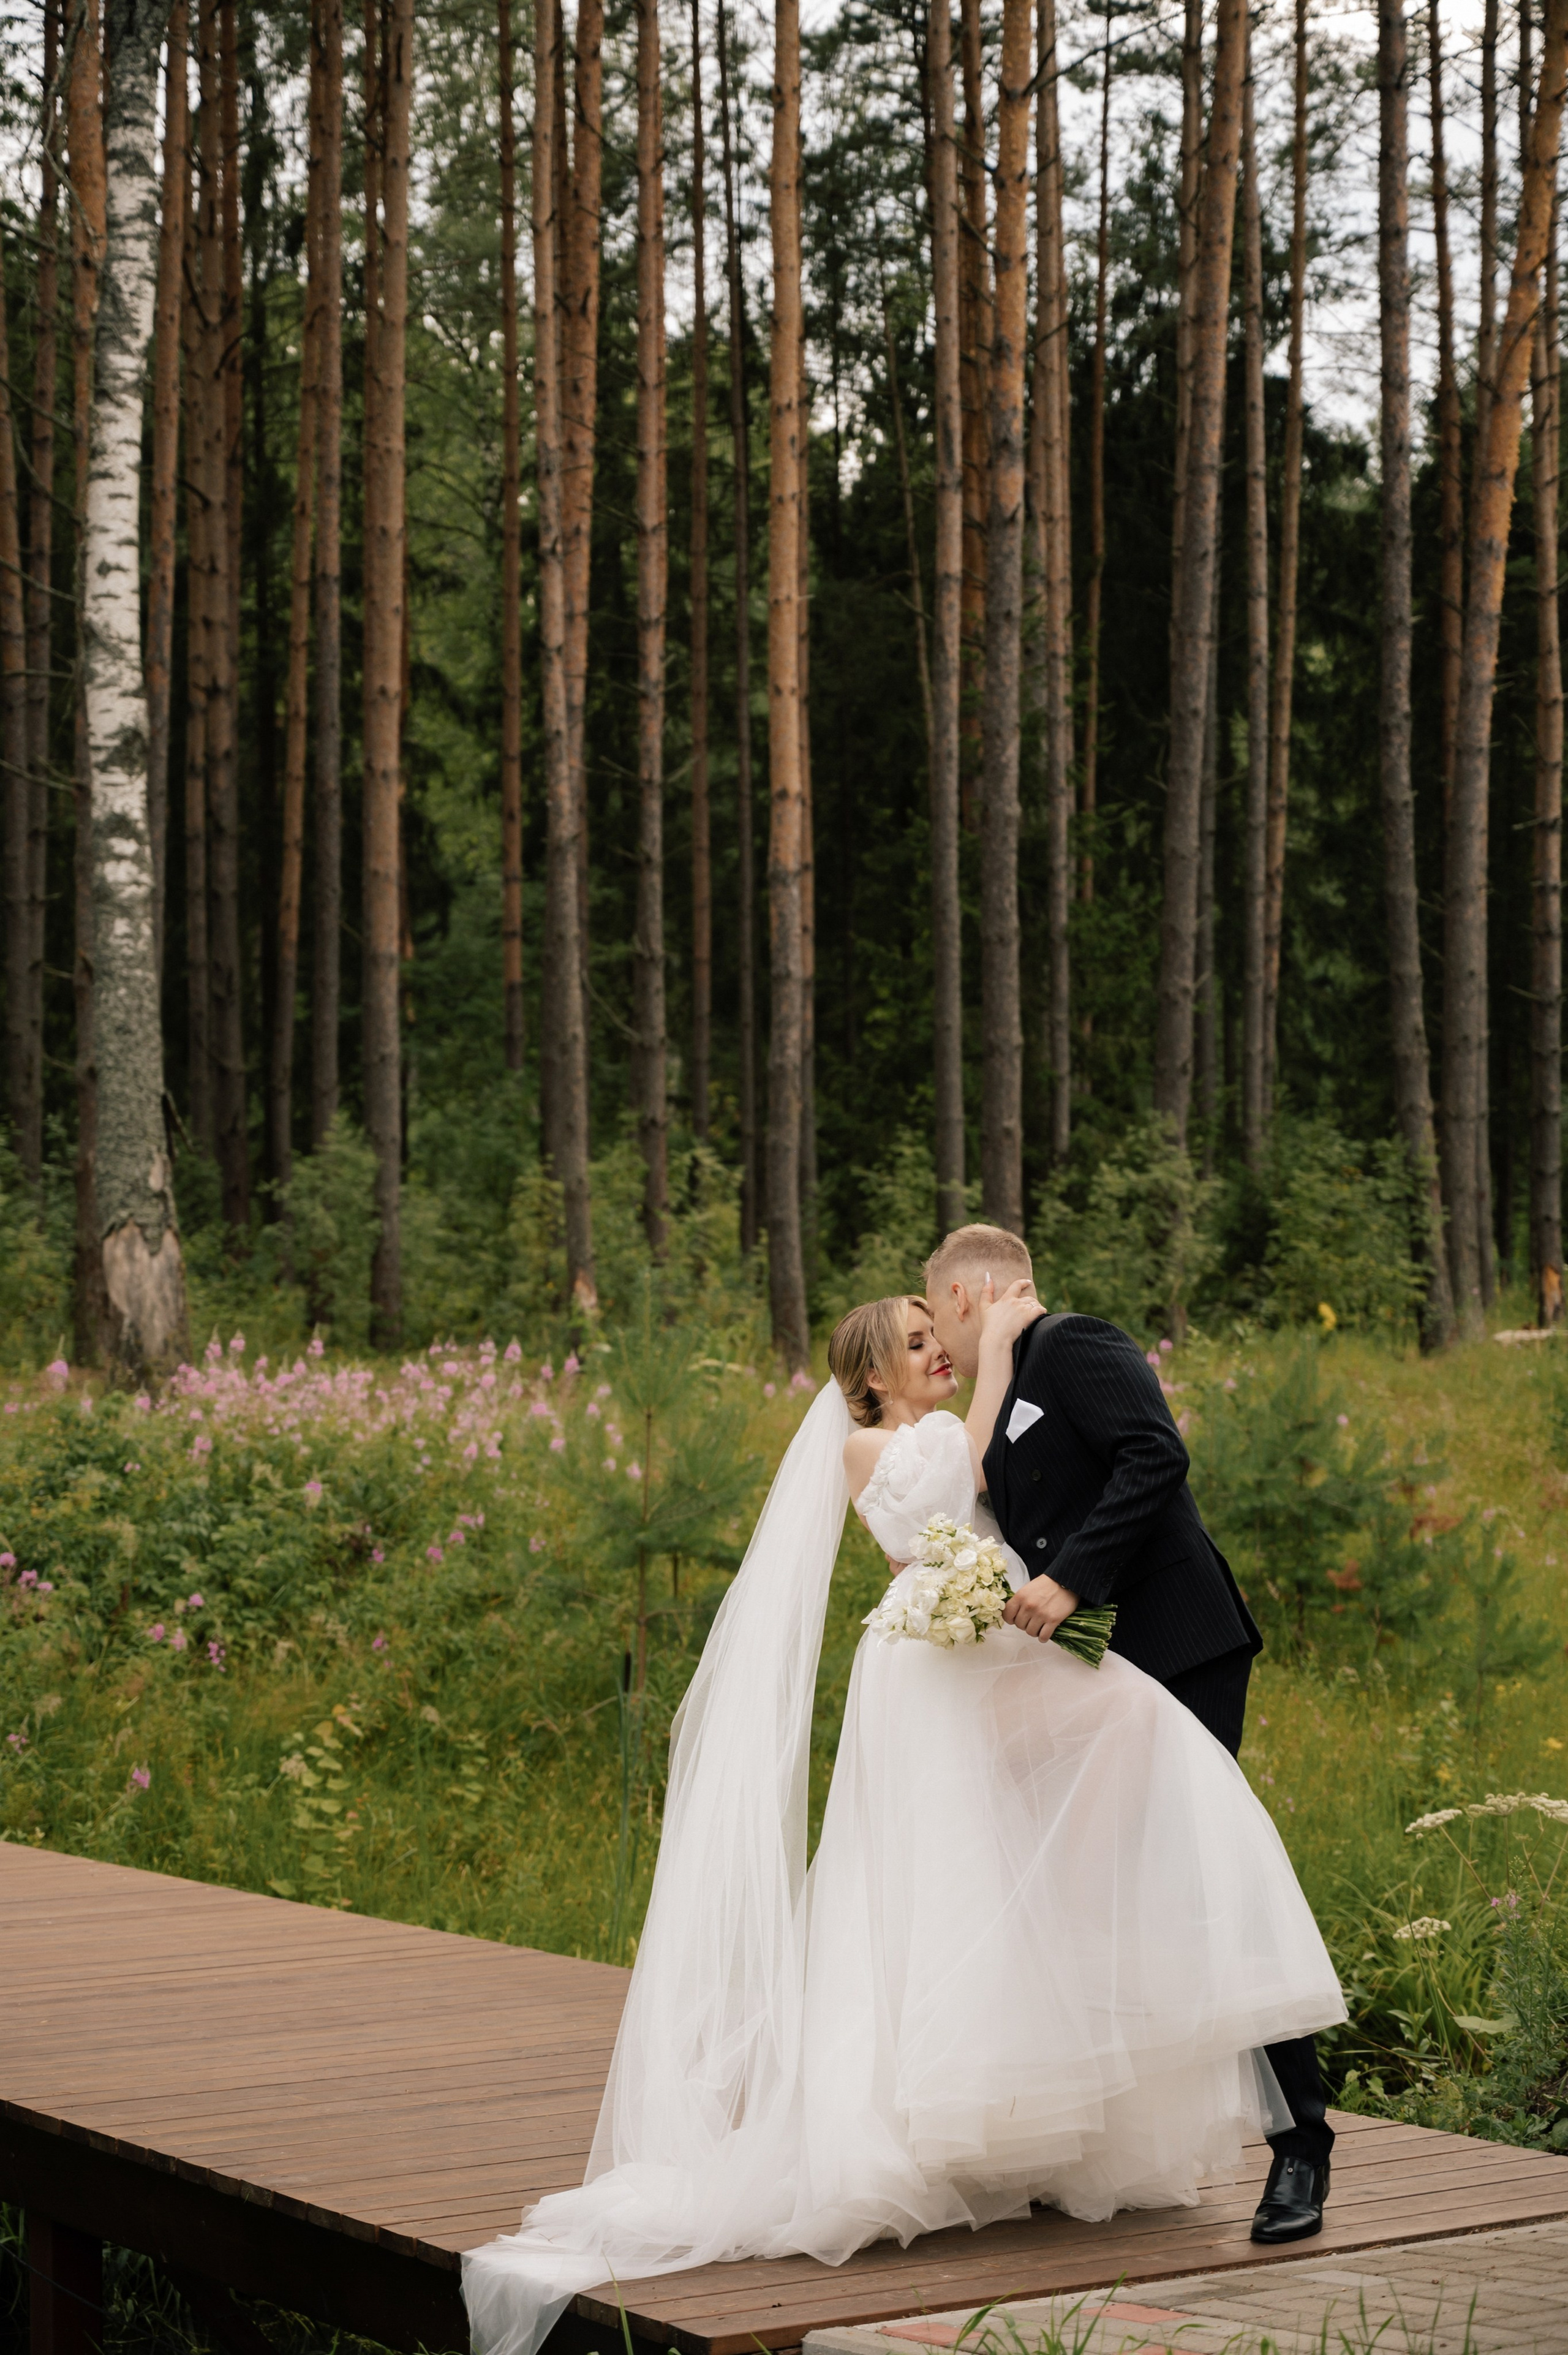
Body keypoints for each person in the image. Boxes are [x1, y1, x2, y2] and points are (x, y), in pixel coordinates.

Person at [462, 1288, 1344, 2355]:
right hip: (940, 1669)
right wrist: (1006, 1355)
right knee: (961, 1872)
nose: (938, 1355)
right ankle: (934, 2128)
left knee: (1017, 1869)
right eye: (916, 1344)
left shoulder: (935, 1427)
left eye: (942, 1336)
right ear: (871, 1376)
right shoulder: (888, 1443)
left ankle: (1033, 2130)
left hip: (976, 1660)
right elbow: (962, 1475)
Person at [924, 1221, 1335, 2247]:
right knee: (1094, 1893)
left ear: (972, 1295)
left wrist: (1072, 1579)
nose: (936, 1334)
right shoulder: (1004, 1385)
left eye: (936, 1312)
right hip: (1096, 1681)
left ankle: (1303, 2146)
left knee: (1207, 1879)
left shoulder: (1076, 1344)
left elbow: (1157, 1455)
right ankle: (1095, 2140)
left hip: (1176, 1647)